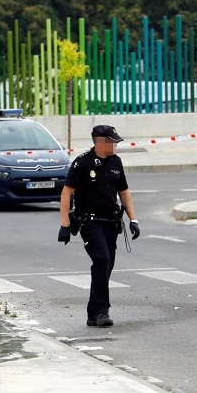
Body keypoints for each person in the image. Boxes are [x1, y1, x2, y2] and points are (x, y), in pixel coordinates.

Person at [58, 125, 140, 327]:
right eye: (111, 141)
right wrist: (65, 225)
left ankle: (92, 312)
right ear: (100, 141)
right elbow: (66, 193)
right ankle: (102, 311)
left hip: (111, 223)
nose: (114, 145)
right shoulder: (82, 163)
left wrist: (133, 219)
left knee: (106, 266)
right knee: (102, 260)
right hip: (90, 222)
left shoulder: (116, 162)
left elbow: (124, 193)